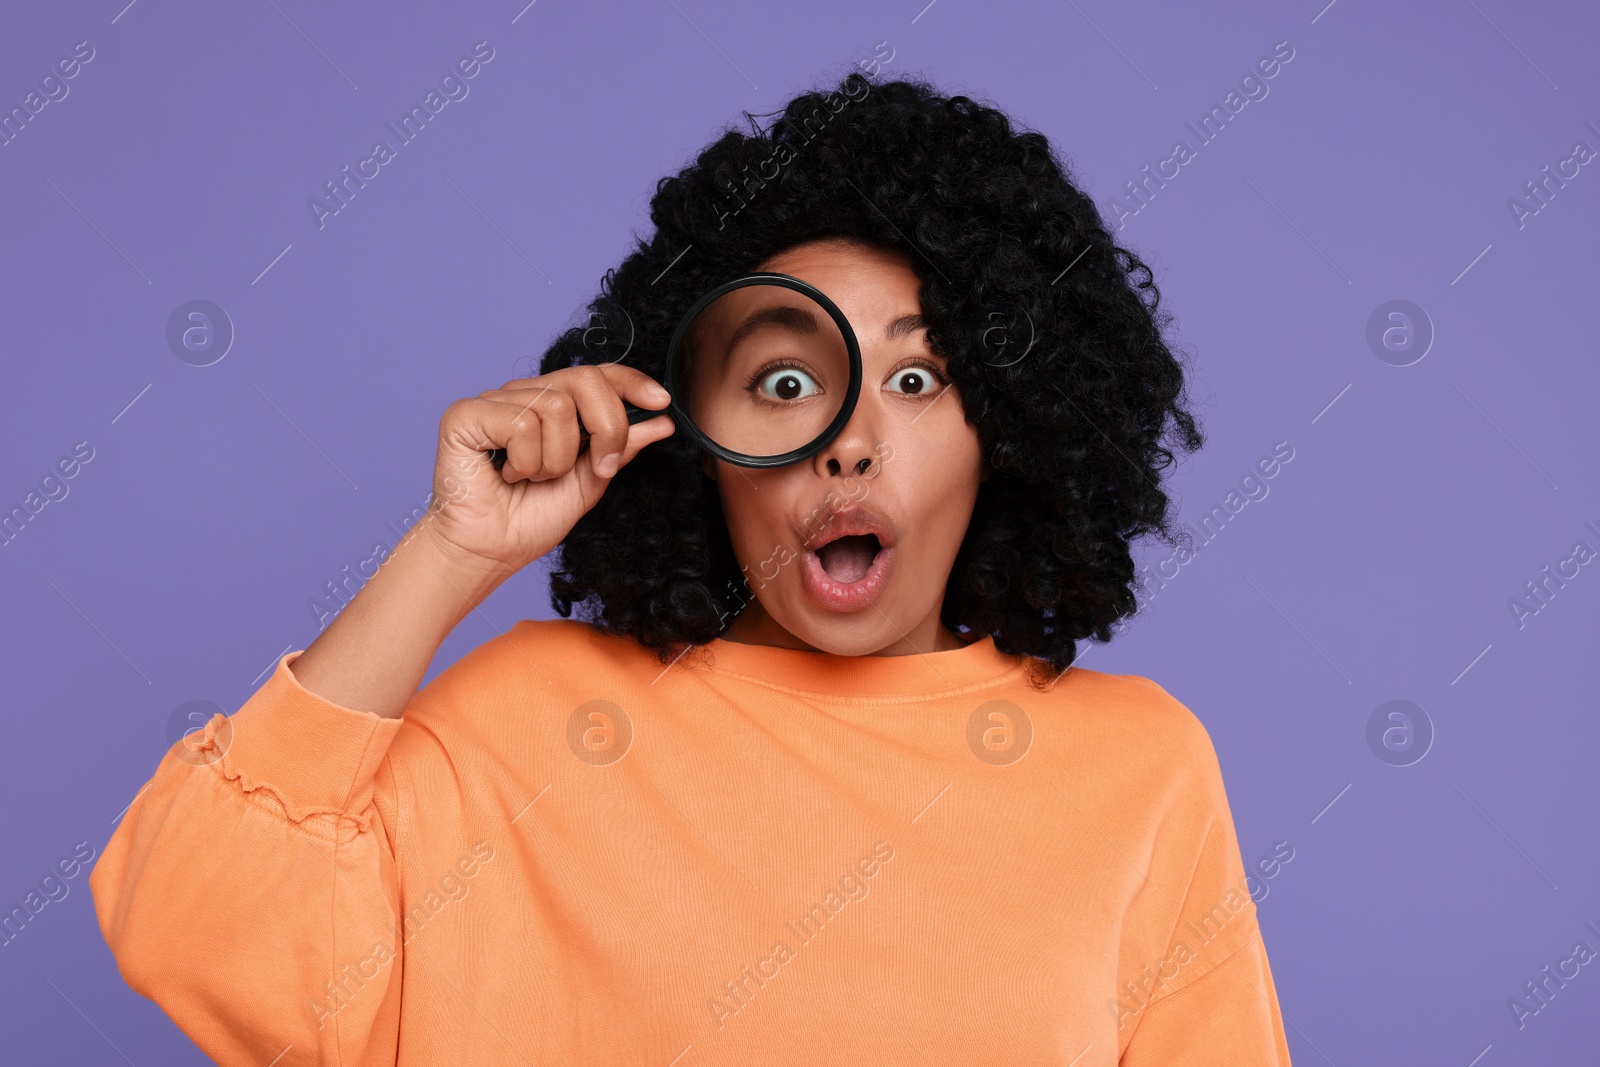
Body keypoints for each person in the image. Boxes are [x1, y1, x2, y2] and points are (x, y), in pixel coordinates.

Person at [90, 70, 1293, 1065]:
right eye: (785, 381)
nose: (853, 434)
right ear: (699, 439)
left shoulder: (1138, 765)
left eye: (919, 379)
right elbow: (188, 921)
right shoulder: (532, 717)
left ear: (1009, 429)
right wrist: (451, 551)